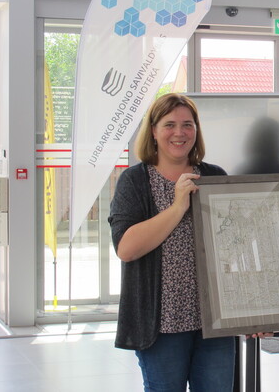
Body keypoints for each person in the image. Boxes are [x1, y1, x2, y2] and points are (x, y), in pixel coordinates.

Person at [108, 93, 235, 391]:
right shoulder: (135, 181)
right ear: (153, 130)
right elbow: (126, 248)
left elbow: (234, 247)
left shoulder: (214, 176)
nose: (180, 132)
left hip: (215, 323)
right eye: (170, 125)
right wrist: (178, 206)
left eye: (187, 124)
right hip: (161, 326)